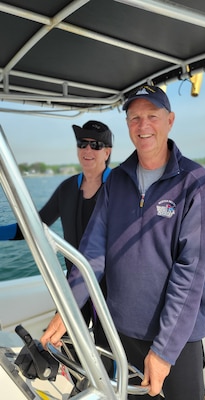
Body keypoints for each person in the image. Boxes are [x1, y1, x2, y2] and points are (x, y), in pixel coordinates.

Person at [41, 85, 205, 400]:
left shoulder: (196, 183)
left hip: (177, 339)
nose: (143, 125)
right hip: (121, 331)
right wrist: (68, 309)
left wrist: (163, 351)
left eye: (152, 115)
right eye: (134, 117)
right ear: (127, 125)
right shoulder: (117, 182)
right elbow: (92, 255)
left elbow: (190, 273)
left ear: (170, 120)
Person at [0, 120, 113, 324]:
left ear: (107, 152)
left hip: (111, 290)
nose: (88, 149)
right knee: (65, 344)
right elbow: (33, 226)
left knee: (108, 350)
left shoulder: (120, 188)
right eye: (82, 143)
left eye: (95, 145)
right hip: (74, 284)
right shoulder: (67, 189)